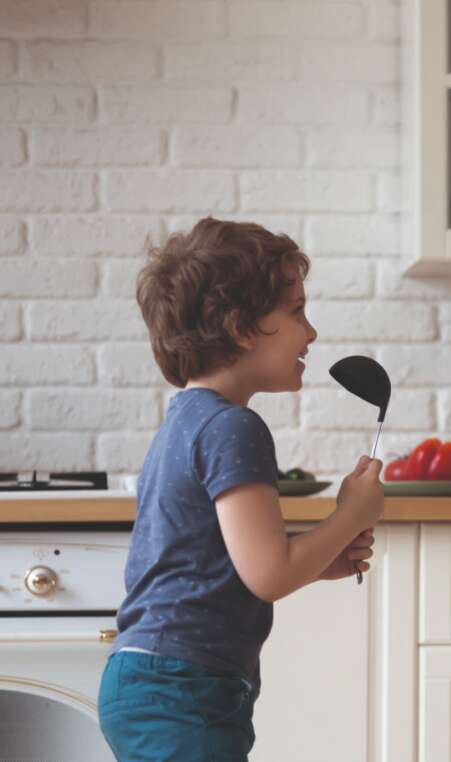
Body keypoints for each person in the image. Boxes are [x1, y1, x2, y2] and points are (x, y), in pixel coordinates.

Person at [98, 218, 386, 760]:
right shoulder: (234, 427)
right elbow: (270, 574)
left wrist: (324, 559)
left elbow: (219, 563)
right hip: (183, 689)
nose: (312, 332)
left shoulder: (186, 421)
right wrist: (351, 513)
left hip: (155, 679)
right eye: (296, 311)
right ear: (241, 327)